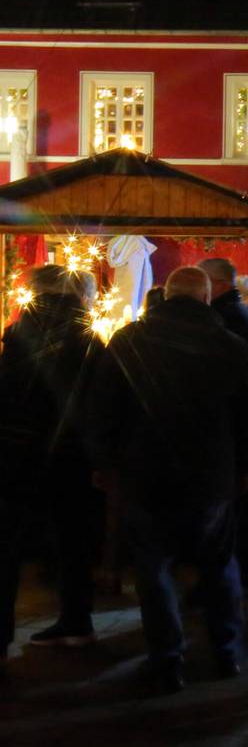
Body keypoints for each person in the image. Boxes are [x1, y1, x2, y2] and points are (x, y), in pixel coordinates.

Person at [87, 266, 248, 693]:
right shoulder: (230, 346)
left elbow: (102, 409)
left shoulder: (129, 341)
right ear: (205, 298)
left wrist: (105, 463)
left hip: (145, 473)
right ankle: (226, 651)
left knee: (154, 568)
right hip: (210, 474)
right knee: (218, 565)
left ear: (164, 296)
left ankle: (167, 659)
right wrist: (247, 469)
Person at [0, 265, 103, 664]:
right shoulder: (88, 337)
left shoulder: (22, 333)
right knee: (73, 540)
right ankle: (77, 620)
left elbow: (11, 395)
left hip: (20, 452)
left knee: (8, 545)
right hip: (72, 455)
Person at [198, 257, 248, 595]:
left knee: (228, 516)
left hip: (227, 430)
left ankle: (229, 583)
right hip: (236, 429)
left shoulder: (225, 320)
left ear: (219, 284)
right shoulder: (236, 315)